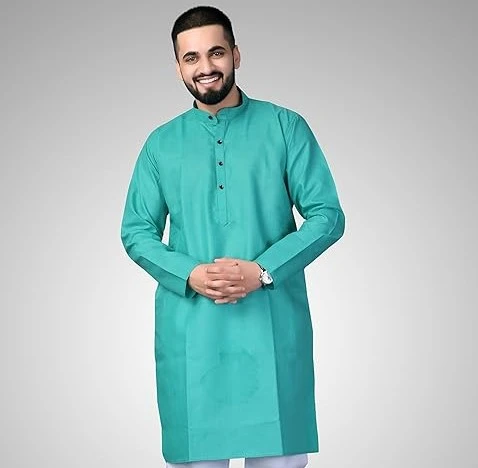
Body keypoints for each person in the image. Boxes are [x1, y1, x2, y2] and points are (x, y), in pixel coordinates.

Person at [120, 5, 345, 468]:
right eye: (191, 58)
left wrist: (262, 271)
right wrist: (190, 274)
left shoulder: (284, 127)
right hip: (192, 337)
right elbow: (136, 231)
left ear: (237, 55)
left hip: (271, 329)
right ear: (178, 67)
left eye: (216, 52)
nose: (205, 67)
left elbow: (327, 216)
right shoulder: (161, 144)